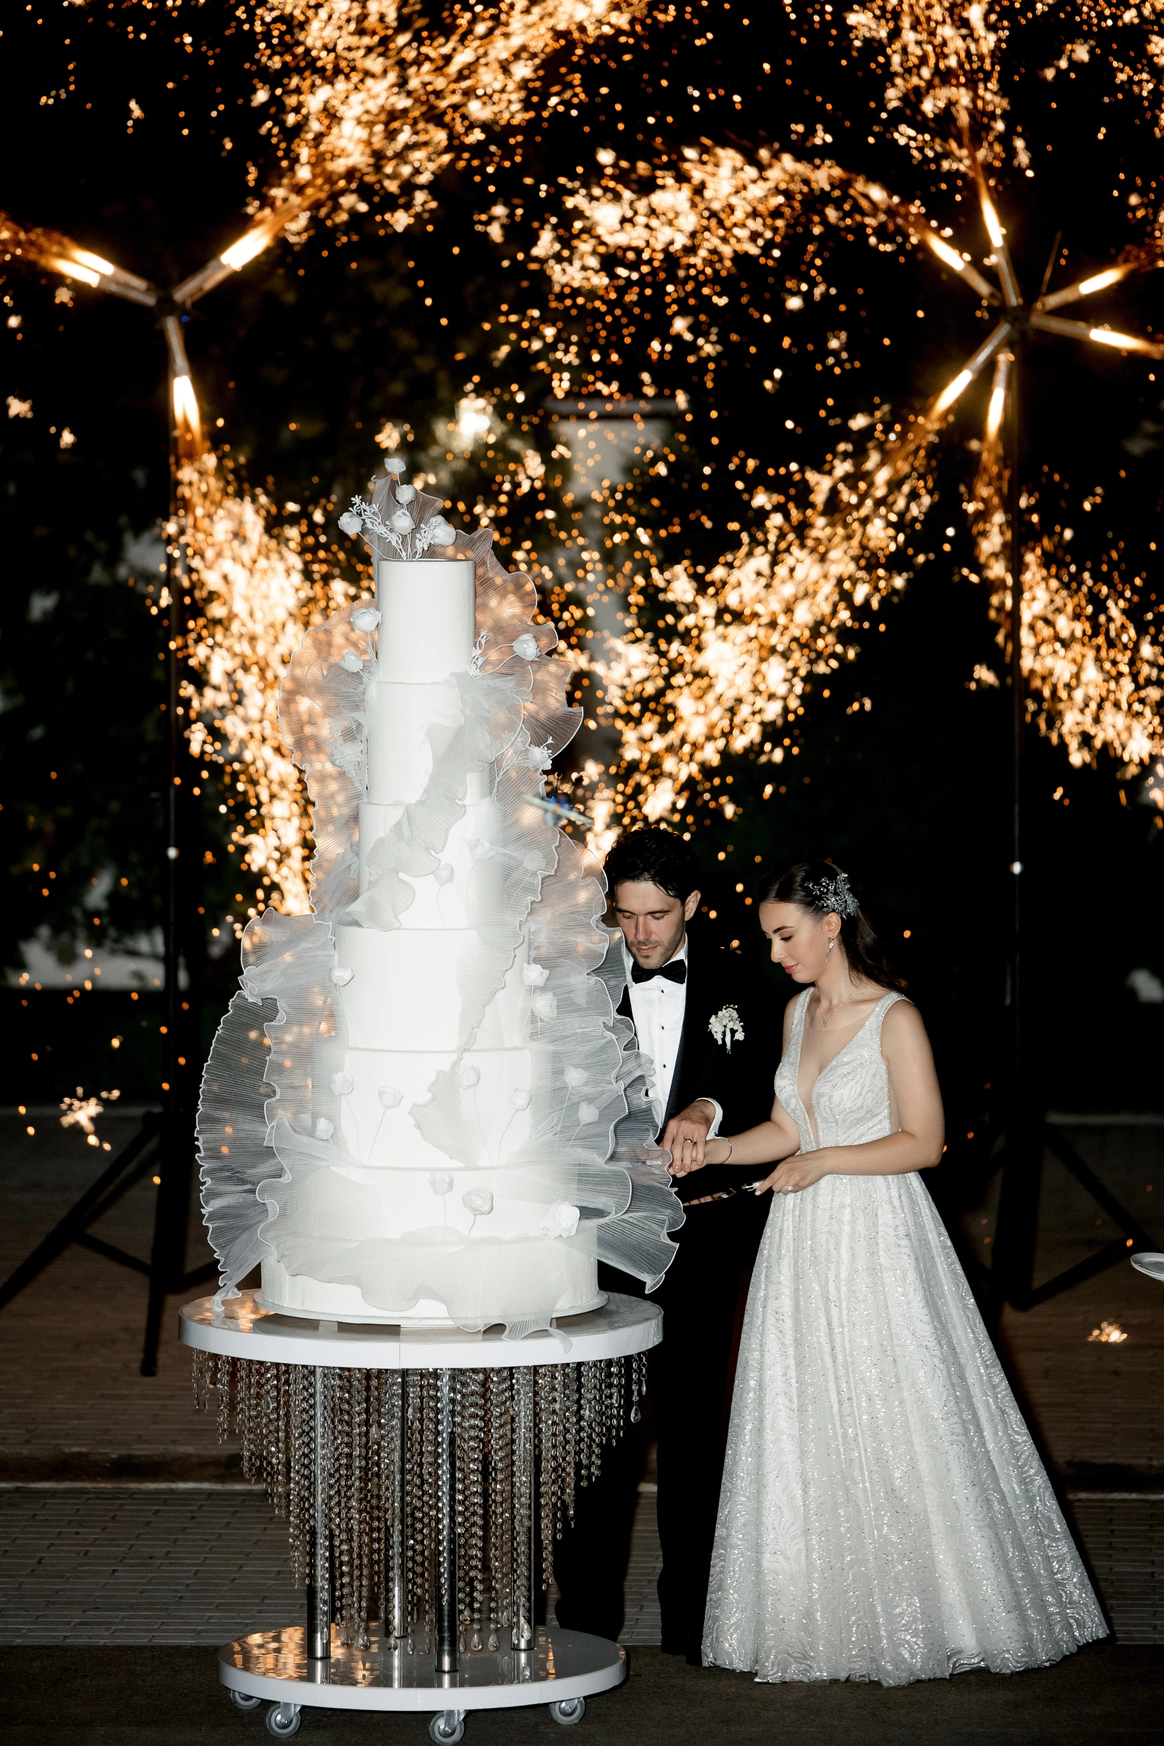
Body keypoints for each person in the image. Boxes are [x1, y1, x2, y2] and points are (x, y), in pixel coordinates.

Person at [673, 859, 1106, 1685]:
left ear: (831, 926)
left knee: (896, 1407)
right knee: (809, 1411)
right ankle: (823, 1612)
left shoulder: (894, 1017)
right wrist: (717, 1151)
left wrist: (825, 1161)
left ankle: (937, 1609)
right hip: (800, 1244)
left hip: (877, 1234)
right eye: (769, 939)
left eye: (785, 936)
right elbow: (787, 1127)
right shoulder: (797, 1012)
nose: (775, 955)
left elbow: (924, 1142)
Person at [553, 827, 776, 1662]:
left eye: (656, 916)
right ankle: (583, 1626)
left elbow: (770, 1083)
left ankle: (694, 1619)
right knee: (596, 1437)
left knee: (696, 1436)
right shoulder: (574, 985)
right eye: (625, 916)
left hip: (706, 1234)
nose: (640, 935)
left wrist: (708, 1109)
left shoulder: (744, 984)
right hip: (603, 1240)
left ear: (693, 906)